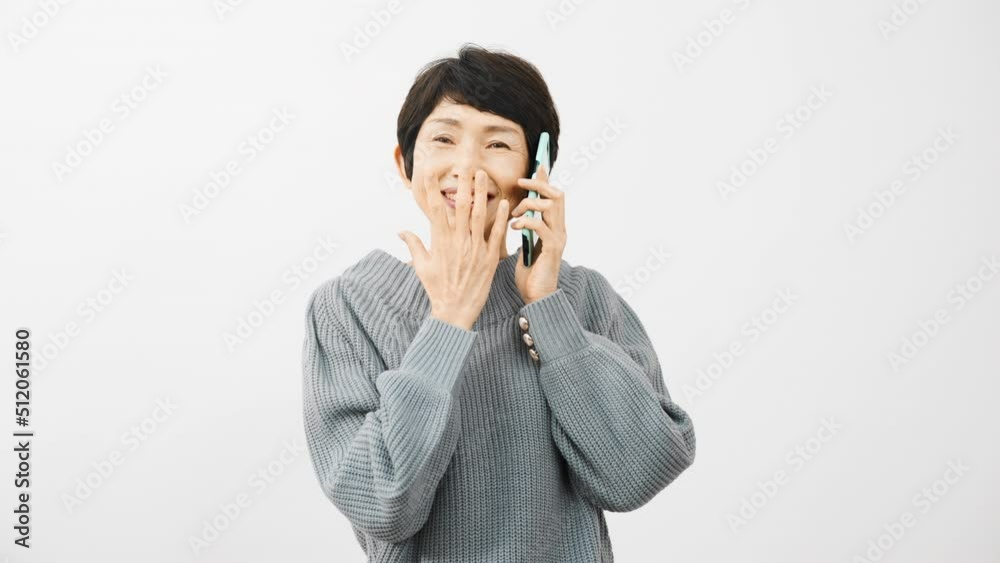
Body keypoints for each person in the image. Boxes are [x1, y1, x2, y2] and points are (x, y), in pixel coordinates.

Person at [302, 43, 696, 563]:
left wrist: (548, 310)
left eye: (498, 144)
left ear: (537, 171)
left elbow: (637, 475)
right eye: (444, 138)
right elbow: (382, 504)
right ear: (405, 163)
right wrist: (450, 318)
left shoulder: (584, 298)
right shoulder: (348, 306)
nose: (467, 167)